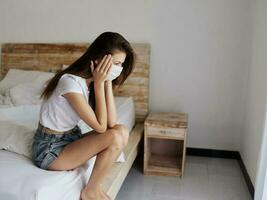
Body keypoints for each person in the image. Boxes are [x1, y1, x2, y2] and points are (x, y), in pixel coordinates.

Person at [31, 32, 136, 200]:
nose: (119, 69)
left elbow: (111, 122)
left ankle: (93, 189)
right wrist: (100, 82)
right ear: (98, 58)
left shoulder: (91, 82)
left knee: (121, 130)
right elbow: (101, 127)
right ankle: (90, 192)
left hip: (70, 138)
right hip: (50, 150)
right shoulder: (70, 82)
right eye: (115, 63)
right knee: (115, 135)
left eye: (121, 65)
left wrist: (107, 81)